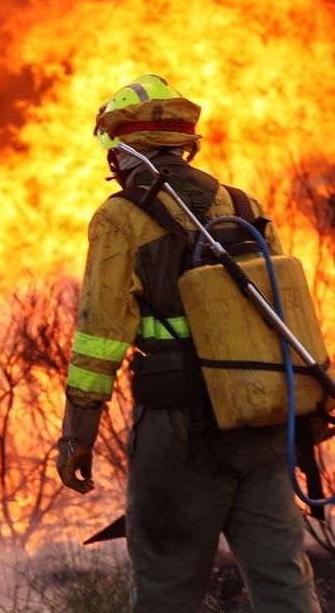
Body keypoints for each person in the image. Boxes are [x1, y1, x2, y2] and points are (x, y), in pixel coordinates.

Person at [56, 74, 317, 611]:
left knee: (166, 588)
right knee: (285, 587)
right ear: (183, 142)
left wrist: (78, 430)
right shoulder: (245, 209)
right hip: (261, 420)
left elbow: (101, 334)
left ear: (122, 148)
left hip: (178, 431)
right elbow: (288, 318)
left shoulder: (121, 216)